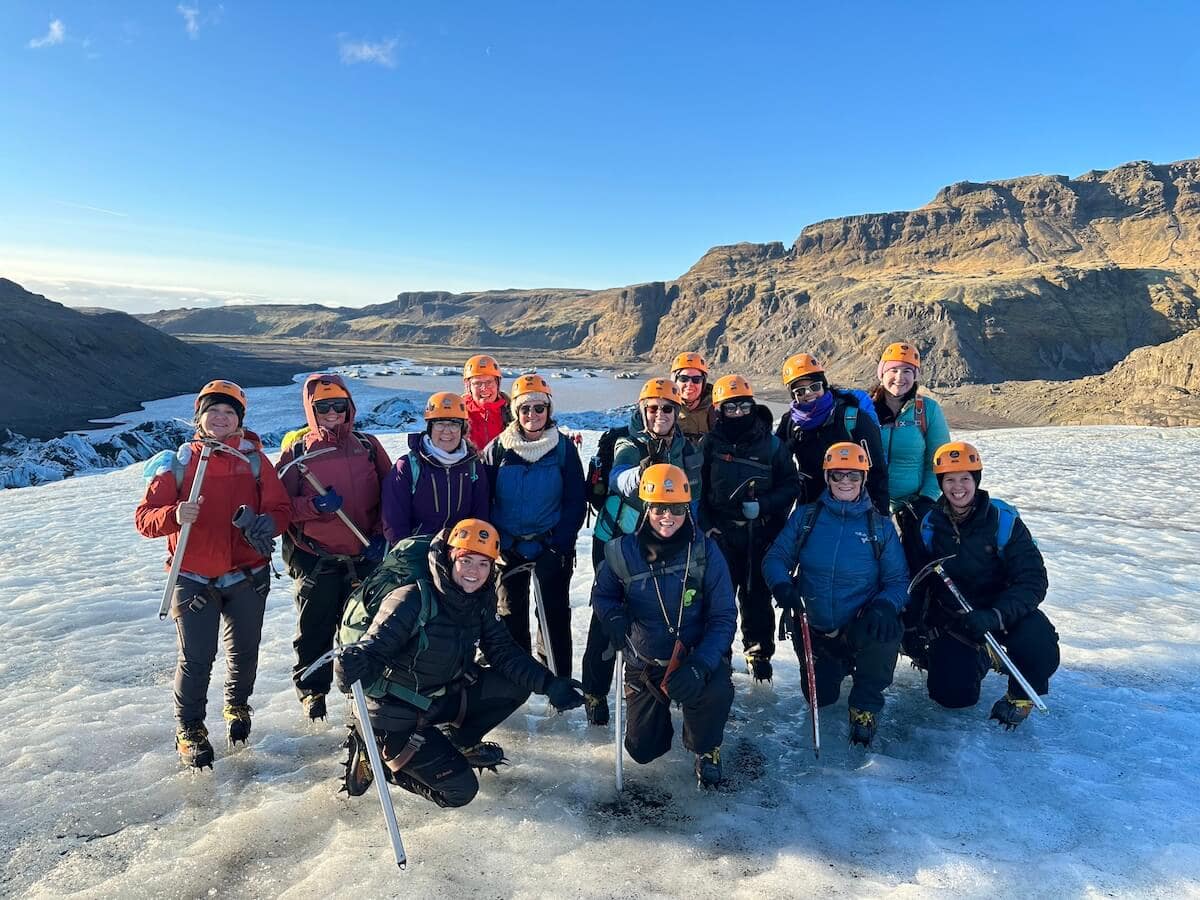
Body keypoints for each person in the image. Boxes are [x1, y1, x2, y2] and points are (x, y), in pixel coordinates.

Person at [333, 520, 585, 808]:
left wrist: (549, 683)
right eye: (466, 560)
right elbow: (372, 652)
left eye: (483, 564)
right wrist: (350, 667)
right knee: (460, 791)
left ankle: (456, 741)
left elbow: (503, 651)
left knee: (515, 684)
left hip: (438, 697)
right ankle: (378, 759)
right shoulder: (412, 598)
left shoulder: (478, 602)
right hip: (394, 713)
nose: (473, 572)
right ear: (450, 557)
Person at [135, 380, 290, 768]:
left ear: (239, 419)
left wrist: (265, 524)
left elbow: (281, 509)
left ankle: (237, 707)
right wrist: (173, 515)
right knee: (196, 656)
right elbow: (144, 519)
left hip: (246, 573)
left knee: (244, 652)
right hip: (192, 575)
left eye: (229, 413)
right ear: (200, 417)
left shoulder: (254, 460)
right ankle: (189, 729)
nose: (221, 419)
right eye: (213, 412)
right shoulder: (179, 463)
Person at [591, 464, 736, 787]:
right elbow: (603, 595)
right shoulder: (620, 552)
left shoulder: (705, 552)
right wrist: (612, 616)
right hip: (646, 662)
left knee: (714, 692)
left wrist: (701, 665)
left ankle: (705, 745)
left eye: (676, 508)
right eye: (658, 508)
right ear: (646, 507)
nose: (667, 517)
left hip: (696, 657)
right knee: (643, 750)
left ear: (687, 508)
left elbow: (724, 617)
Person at [762, 442, 909, 747]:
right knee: (822, 699)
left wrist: (884, 605)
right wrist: (782, 586)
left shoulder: (880, 527)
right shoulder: (806, 518)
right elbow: (775, 558)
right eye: (838, 475)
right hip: (814, 627)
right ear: (827, 477)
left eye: (853, 476)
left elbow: (897, 580)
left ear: (864, 479)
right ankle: (838, 666)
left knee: (886, 631)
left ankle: (865, 706)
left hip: (860, 623)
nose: (845, 482)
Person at [908, 441, 1059, 729]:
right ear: (940, 483)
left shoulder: (1003, 520)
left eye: (965, 478)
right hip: (958, 620)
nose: (958, 487)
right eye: (949, 480)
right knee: (951, 696)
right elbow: (920, 580)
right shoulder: (930, 524)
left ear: (976, 479)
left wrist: (996, 615)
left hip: (1004, 614)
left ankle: (1020, 694)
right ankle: (983, 655)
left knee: (1039, 645)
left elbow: (1033, 579)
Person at [582, 377, 703, 725]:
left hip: (667, 540)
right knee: (608, 612)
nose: (660, 414)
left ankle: (657, 683)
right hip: (617, 541)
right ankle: (595, 690)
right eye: (653, 408)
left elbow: (695, 495)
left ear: (676, 411)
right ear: (642, 410)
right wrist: (641, 475)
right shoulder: (629, 442)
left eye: (667, 408)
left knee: (664, 609)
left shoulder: (688, 449)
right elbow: (621, 474)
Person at [275, 374, 392, 721]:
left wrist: (381, 533)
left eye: (338, 405)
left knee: (371, 626)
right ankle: (313, 690)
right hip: (318, 556)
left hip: (365, 554)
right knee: (316, 627)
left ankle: (373, 687)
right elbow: (280, 508)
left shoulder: (367, 446)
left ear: (349, 407)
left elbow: (391, 493)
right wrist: (314, 506)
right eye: (323, 406)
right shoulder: (297, 453)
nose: (332, 412)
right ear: (312, 410)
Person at [479, 374, 586, 676]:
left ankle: (557, 683)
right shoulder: (497, 449)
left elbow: (575, 500)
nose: (532, 415)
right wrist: (498, 544)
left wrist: (559, 546)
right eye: (525, 409)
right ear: (515, 411)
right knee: (510, 618)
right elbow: (484, 501)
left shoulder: (563, 449)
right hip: (507, 551)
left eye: (539, 408)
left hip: (551, 548)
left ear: (548, 411)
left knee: (553, 618)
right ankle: (515, 685)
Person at [699, 375, 800, 682]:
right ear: (719, 410)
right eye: (731, 407)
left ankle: (758, 651)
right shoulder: (709, 445)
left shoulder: (772, 445)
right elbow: (697, 490)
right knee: (719, 598)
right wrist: (706, 526)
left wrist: (766, 506)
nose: (739, 413)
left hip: (761, 534)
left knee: (757, 597)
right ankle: (720, 652)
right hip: (722, 534)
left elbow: (791, 485)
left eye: (744, 405)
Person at [868, 342, 951, 566]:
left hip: (913, 506)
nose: (899, 377)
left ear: (915, 376)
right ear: (882, 372)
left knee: (912, 565)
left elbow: (938, 461)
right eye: (893, 370)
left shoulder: (928, 410)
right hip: (869, 503)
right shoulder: (865, 408)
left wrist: (926, 499)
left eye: (907, 371)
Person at [775, 353, 890, 514]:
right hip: (810, 509)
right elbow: (775, 461)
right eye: (800, 391)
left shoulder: (853, 419)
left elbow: (877, 471)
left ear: (823, 385)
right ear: (793, 396)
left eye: (814, 386)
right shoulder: (791, 422)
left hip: (853, 509)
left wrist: (880, 516)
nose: (808, 393)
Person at [381, 391, 490, 544]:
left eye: (454, 424)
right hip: (417, 547)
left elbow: (480, 513)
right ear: (430, 427)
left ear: (462, 429)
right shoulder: (408, 466)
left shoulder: (472, 465)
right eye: (440, 423)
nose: (447, 431)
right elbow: (394, 520)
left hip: (459, 548)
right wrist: (407, 553)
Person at [462, 354, 511, 451]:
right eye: (477, 383)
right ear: (468, 387)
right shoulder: (458, 414)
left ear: (498, 383)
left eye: (489, 382)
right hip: (470, 465)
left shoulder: (513, 412)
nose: (484, 388)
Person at [671, 351, 716, 445]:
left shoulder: (716, 409)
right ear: (675, 380)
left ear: (703, 383)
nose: (690, 384)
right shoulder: (663, 408)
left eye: (696, 379)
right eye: (683, 378)